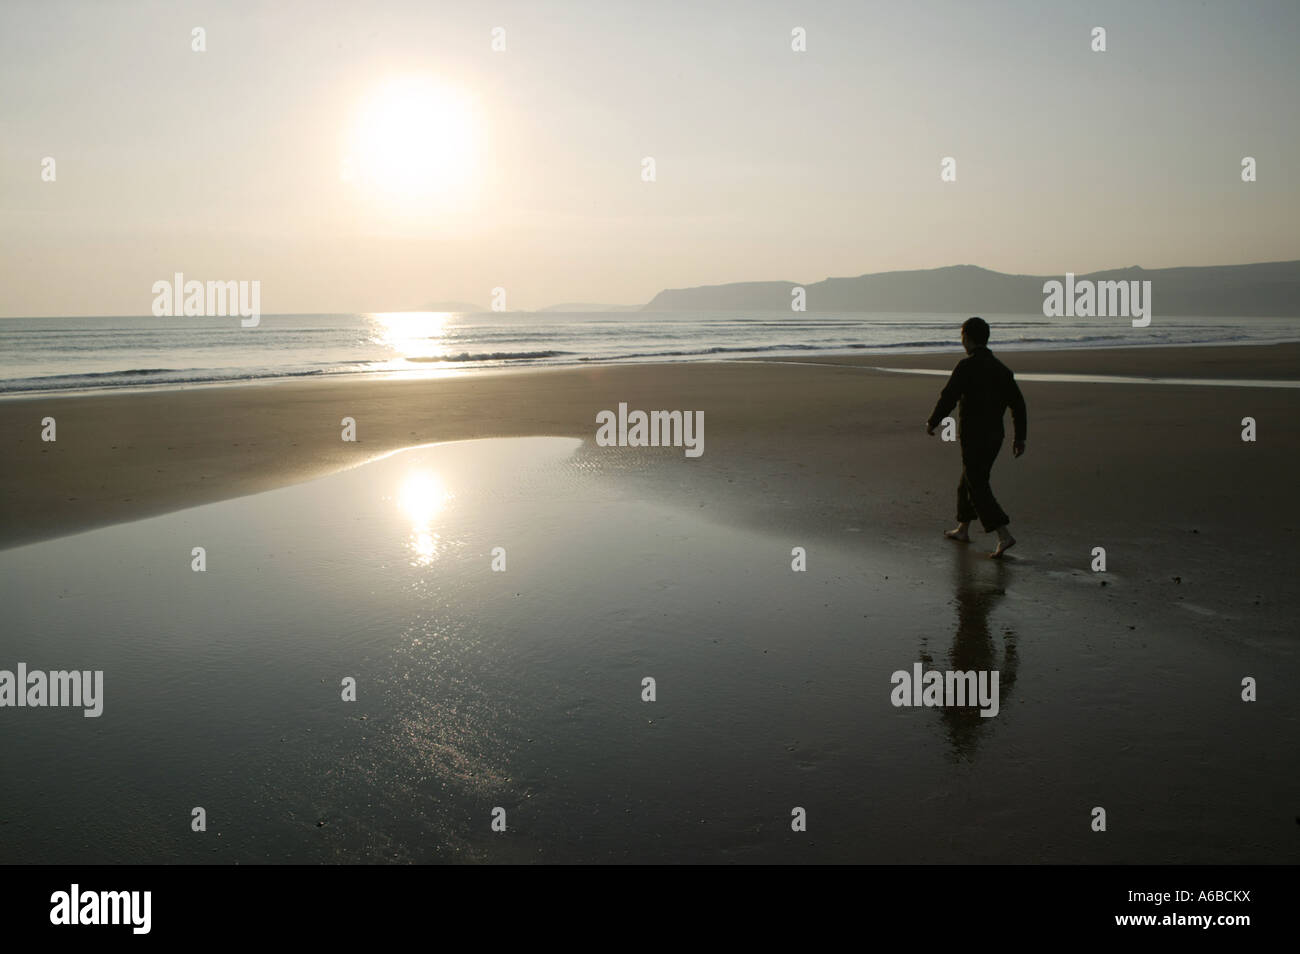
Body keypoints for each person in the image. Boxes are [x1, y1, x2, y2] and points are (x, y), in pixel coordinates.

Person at [924, 317, 1027, 558]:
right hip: (995, 437)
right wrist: (1020, 438)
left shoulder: (966, 366)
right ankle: (963, 528)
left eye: (962, 336)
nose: (962, 341)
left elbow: (949, 397)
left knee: (977, 484)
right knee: (969, 479)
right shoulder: (1002, 370)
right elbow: (1018, 406)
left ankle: (1004, 535)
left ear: (967, 338)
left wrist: (932, 421)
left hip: (974, 436)